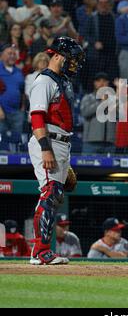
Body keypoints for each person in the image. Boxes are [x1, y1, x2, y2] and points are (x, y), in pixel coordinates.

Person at [28, 36, 85, 265]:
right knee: (50, 192)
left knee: (54, 194)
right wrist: (46, 149)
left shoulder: (62, 81)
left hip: (62, 142)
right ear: (58, 56)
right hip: (48, 140)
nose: (73, 64)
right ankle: (40, 252)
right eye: (70, 59)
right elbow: (37, 117)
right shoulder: (44, 81)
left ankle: (42, 251)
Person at [84, 0, 118, 90]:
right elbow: (86, 34)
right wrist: (94, 42)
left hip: (111, 55)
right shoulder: (92, 18)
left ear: (110, 5)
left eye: (105, 3)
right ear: (97, 4)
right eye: (101, 3)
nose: (103, 5)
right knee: (95, 79)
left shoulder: (114, 18)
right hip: (97, 55)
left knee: (111, 81)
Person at [81, 72, 116, 154]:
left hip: (109, 143)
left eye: (104, 81)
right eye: (98, 81)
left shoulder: (113, 100)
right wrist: (101, 102)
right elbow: (85, 112)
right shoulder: (88, 98)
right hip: (91, 142)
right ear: (94, 83)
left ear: (108, 83)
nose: (101, 83)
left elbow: (119, 116)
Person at [0, 44, 25, 134]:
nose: (12, 56)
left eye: (14, 54)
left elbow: (22, 90)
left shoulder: (19, 71)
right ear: (1, 55)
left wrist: (22, 108)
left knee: (16, 141)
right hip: (2, 113)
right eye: (9, 53)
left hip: (17, 114)